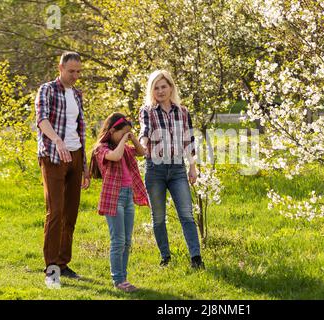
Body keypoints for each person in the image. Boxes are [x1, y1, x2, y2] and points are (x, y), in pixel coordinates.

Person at [139, 70, 205, 269]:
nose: (160, 91)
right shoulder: (147, 111)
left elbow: (189, 141)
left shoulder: (182, 112)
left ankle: (196, 258)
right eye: (156, 88)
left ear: (171, 88)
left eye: (163, 86)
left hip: (177, 169)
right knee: (158, 217)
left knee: (186, 214)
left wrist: (192, 167)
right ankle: (165, 257)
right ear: (152, 90)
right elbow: (145, 131)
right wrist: (143, 144)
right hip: (155, 169)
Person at [35, 51, 90, 288]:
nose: (75, 76)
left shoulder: (77, 94)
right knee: (55, 212)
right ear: (60, 68)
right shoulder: (47, 89)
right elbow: (42, 120)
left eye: (79, 71)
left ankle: (64, 264)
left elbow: (81, 130)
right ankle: (52, 269)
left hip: (75, 155)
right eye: (71, 71)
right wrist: (57, 140)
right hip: (54, 157)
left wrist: (85, 165)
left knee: (70, 213)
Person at [90, 113, 149, 292]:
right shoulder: (101, 148)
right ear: (112, 131)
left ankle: (123, 277)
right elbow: (115, 156)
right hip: (113, 198)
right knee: (118, 240)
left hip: (127, 196)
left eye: (127, 134)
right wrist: (124, 140)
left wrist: (131, 137)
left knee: (127, 241)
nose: (125, 137)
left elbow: (142, 152)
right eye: (122, 133)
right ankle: (118, 279)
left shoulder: (124, 147)